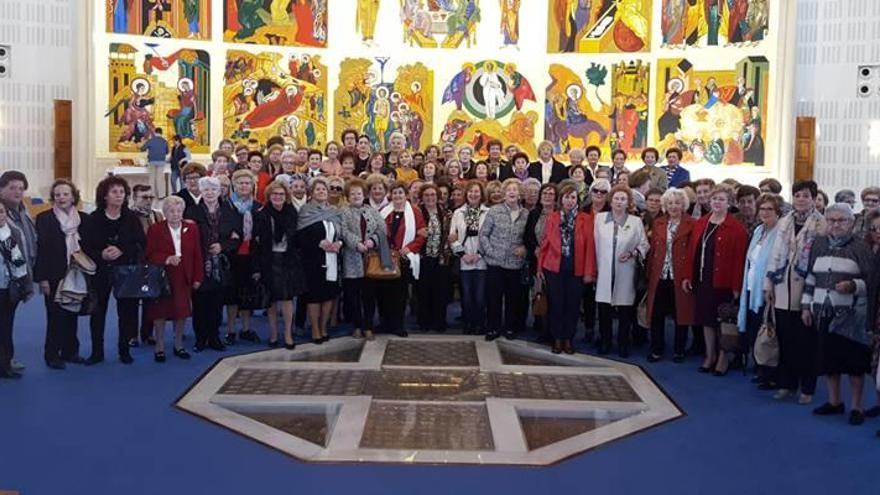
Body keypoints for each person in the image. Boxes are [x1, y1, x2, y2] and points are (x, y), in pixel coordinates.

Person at [802, 203, 873, 425]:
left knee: (854, 364)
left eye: (840, 220)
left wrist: (853, 285)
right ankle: (835, 402)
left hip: (850, 315)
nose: (835, 224)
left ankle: (857, 407)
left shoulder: (860, 247)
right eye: (831, 220)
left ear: (851, 223)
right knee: (828, 361)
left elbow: (871, 282)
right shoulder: (819, 244)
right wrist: (806, 306)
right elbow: (811, 277)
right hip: (822, 311)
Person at [765, 180, 826, 403]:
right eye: (797, 195)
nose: (800, 199)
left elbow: (818, 260)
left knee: (806, 341)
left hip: (806, 288)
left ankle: (807, 389)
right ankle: (786, 384)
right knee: (785, 339)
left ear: (813, 198)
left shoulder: (821, 223)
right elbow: (775, 253)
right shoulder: (785, 221)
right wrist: (768, 285)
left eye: (805, 195)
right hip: (782, 285)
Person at [682, 186, 748, 375]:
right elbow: (692, 251)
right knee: (706, 319)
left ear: (729, 203)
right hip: (703, 279)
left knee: (722, 322)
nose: (717, 202)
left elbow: (739, 260)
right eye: (714, 199)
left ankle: (722, 357)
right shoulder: (701, 222)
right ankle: (709, 355)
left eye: (721, 199)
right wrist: (688, 275)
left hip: (724, 282)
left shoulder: (737, 229)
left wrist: (736, 286)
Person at [82, 177, 145, 365]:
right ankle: (97, 352)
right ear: (105, 196)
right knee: (98, 311)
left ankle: (124, 350)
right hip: (101, 270)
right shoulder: (93, 218)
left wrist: (122, 250)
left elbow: (141, 243)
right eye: (114, 192)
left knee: (126, 312)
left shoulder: (132, 218)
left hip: (125, 270)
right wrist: (101, 253)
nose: (119, 195)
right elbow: (85, 245)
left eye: (122, 192)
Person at [588, 185, 649, 357]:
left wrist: (632, 253)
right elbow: (593, 244)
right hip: (604, 271)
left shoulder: (635, 222)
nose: (619, 202)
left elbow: (644, 244)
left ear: (628, 202)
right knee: (604, 309)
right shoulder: (599, 219)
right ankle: (605, 341)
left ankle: (623, 343)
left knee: (624, 310)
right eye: (616, 198)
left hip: (626, 271)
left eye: (623, 199)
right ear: (611, 200)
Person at [34, 179, 89, 369]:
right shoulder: (44, 219)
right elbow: (41, 251)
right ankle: (51, 354)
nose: (61, 198)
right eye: (57, 194)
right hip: (53, 274)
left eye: (65, 194)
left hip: (76, 273)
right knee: (54, 315)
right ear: (53, 198)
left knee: (72, 312)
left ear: (73, 196)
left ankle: (70, 351)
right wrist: (42, 279)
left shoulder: (83, 218)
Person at [185, 176, 243, 352]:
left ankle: (214, 336)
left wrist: (222, 246)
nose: (210, 193)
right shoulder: (191, 212)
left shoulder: (230, 212)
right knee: (200, 302)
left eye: (213, 190)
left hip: (221, 265)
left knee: (217, 303)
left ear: (220, 192)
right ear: (201, 192)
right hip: (199, 262)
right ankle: (201, 338)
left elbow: (237, 237)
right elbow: (187, 238)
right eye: (206, 190)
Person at [145, 196, 203, 362]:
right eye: (171, 211)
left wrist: (198, 277)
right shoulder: (155, 229)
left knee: (181, 312)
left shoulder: (192, 228)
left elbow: (197, 254)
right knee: (160, 313)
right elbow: (149, 254)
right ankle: (160, 346)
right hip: (163, 276)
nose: (175, 214)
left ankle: (179, 345)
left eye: (178, 211)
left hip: (184, 276)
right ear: (165, 212)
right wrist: (166, 258)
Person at [645, 188, 696, 362]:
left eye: (677, 202)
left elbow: (692, 252)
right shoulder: (658, 222)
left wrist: (689, 275)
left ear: (684, 204)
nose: (674, 206)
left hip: (679, 276)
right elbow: (652, 251)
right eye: (670, 203)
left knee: (680, 314)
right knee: (657, 314)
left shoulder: (692, 224)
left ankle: (679, 349)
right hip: (659, 274)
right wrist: (648, 273)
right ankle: (656, 348)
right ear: (665, 205)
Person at [537, 183, 589, 354]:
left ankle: (568, 338)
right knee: (556, 304)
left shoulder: (585, 219)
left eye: (573, 197)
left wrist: (589, 271)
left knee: (572, 306)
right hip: (553, 268)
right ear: (561, 199)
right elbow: (544, 244)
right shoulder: (552, 218)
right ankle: (557, 338)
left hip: (576, 268)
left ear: (577, 200)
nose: (569, 200)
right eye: (566, 197)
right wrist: (539, 268)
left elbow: (590, 247)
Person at [254, 180, 305, 348]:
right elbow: (256, 243)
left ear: (286, 196)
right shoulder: (261, 213)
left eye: (281, 194)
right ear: (269, 196)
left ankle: (288, 334)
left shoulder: (292, 212)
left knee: (287, 298)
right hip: (269, 260)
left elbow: (296, 238)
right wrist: (256, 268)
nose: (278, 197)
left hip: (288, 260)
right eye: (274, 194)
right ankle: (274, 333)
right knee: (272, 299)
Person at [737, 193, 782, 385]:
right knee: (756, 328)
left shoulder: (781, 232)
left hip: (769, 290)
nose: (764, 212)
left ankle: (770, 371)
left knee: (769, 330)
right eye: (762, 208)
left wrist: (769, 286)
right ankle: (760, 366)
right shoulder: (758, 231)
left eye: (769, 209)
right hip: (751, 287)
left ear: (778, 211)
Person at [479, 178, 528, 341]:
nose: (512, 192)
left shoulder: (526, 214)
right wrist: (490, 253)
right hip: (495, 263)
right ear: (504, 194)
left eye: (515, 189)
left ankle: (509, 328)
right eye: (509, 190)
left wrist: (525, 249)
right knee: (493, 298)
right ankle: (493, 328)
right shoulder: (494, 211)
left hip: (515, 263)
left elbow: (529, 238)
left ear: (520, 194)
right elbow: (483, 234)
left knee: (513, 299)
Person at [297, 177, 344, 344]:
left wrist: (339, 243)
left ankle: (324, 327)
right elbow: (300, 237)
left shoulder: (335, 211)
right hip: (313, 261)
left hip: (332, 260)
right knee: (314, 297)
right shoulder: (306, 211)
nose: (322, 192)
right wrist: (318, 243)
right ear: (311, 192)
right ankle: (315, 329)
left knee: (329, 296)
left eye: (324, 189)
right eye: (318, 189)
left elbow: (341, 233)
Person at [340, 178, 386, 341]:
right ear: (347, 196)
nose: (356, 196)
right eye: (352, 193)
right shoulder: (344, 212)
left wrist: (372, 241)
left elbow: (382, 230)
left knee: (369, 295)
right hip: (351, 258)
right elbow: (342, 231)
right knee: (353, 295)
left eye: (359, 193)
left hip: (371, 259)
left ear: (364, 194)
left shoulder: (372, 211)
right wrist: (356, 243)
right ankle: (357, 326)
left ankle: (368, 326)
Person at [0, 171, 37, 372]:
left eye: (21, 188)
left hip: (17, 276)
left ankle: (6, 358)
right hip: (3, 277)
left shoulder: (22, 210)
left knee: (7, 320)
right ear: (1, 189)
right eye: (12, 187)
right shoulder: (2, 212)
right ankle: (5, 361)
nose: (18, 192)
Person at [379, 181, 426, 337]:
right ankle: (386, 323)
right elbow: (377, 233)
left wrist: (410, 248)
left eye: (400, 192)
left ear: (406, 194)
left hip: (404, 258)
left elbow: (422, 234)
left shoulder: (415, 212)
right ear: (390, 195)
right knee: (385, 292)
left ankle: (398, 325)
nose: (397, 196)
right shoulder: (383, 212)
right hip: (386, 257)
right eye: (395, 193)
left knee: (400, 294)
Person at [224, 170, 262, 346]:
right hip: (232, 256)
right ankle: (231, 330)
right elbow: (222, 229)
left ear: (252, 186)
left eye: (248, 183)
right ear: (234, 185)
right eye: (241, 183)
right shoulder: (226, 205)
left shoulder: (258, 207)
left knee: (248, 294)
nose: (244, 186)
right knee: (231, 295)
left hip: (251, 256)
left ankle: (246, 329)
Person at [450, 181, 489, 335]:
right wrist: (463, 254)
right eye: (471, 192)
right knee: (466, 295)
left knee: (480, 295)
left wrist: (478, 254)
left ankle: (479, 323)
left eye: (477, 192)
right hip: (464, 260)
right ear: (466, 194)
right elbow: (453, 237)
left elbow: (490, 236)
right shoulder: (458, 213)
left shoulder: (488, 212)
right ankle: (468, 323)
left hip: (482, 260)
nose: (473, 194)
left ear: (481, 194)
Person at [129, 184, 163, 346]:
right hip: (135, 263)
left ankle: (147, 333)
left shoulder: (157, 215)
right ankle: (132, 335)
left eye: (151, 197)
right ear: (134, 198)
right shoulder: (128, 217)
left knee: (151, 300)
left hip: (153, 264)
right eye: (144, 197)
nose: (148, 201)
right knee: (133, 301)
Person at [524, 183, 558, 341]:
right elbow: (527, 236)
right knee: (538, 293)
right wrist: (534, 248)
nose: (548, 196)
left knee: (553, 295)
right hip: (537, 260)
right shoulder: (534, 213)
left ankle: (552, 328)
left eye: (551, 194)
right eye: (545, 193)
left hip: (555, 261)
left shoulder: (560, 214)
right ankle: (540, 326)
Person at [417, 183, 452, 332]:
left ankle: (439, 322)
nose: (430, 198)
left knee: (440, 291)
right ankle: (424, 322)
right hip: (423, 257)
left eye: (433, 195)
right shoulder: (417, 212)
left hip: (441, 257)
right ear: (422, 198)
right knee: (423, 291)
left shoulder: (445, 213)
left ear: (437, 197)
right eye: (426, 195)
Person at [582, 179, 611, 345]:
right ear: (591, 192)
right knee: (587, 297)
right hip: (586, 258)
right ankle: (589, 328)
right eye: (596, 191)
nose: (599, 195)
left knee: (603, 299)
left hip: (605, 259)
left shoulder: (612, 212)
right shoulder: (583, 211)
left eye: (603, 192)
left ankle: (604, 333)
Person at [141, 128, 169, 198]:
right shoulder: (164, 141)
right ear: (161, 133)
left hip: (152, 161)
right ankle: (161, 195)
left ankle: (152, 194)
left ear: (155, 132)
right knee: (160, 179)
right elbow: (167, 152)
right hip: (161, 161)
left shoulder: (151, 140)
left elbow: (142, 148)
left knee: (152, 178)